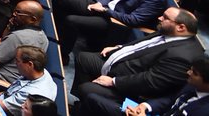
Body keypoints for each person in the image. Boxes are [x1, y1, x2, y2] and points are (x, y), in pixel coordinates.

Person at [72, 9, 205, 110]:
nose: (159, 18)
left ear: (181, 27)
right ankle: (83, 104)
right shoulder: (169, 31)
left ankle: (85, 106)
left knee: (87, 89)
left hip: (132, 89)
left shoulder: (182, 56)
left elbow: (150, 81)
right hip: (121, 63)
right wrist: (119, 47)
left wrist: (113, 82)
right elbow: (141, 44)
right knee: (84, 58)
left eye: (165, 17)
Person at [95, 56, 209, 116]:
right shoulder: (191, 85)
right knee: (94, 99)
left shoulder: (204, 111)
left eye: (194, 73)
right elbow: (170, 99)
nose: (188, 73)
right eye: (191, 69)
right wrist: (145, 106)